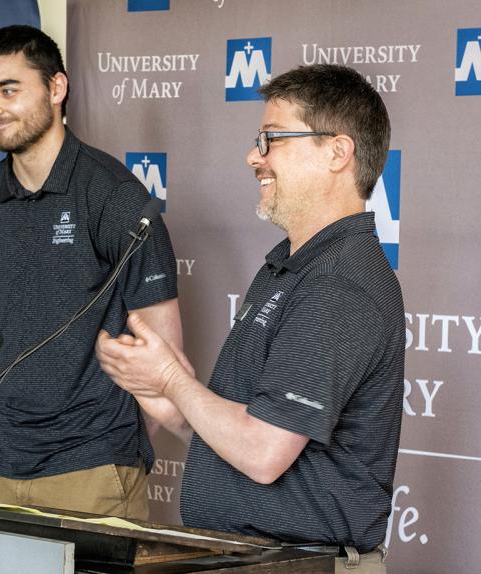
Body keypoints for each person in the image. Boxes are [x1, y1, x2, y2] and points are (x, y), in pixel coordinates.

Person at [97, 64, 404, 572]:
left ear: (337, 152)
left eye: (271, 139)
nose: (253, 156)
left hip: (298, 565)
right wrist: (159, 391)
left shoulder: (340, 280)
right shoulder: (288, 265)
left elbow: (263, 452)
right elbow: (239, 434)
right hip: (247, 559)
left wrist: (173, 379)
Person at [0, 25, 182, 520]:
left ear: (56, 89)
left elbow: (164, 356)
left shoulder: (115, 198)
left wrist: (114, 446)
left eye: (9, 90)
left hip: (92, 470)